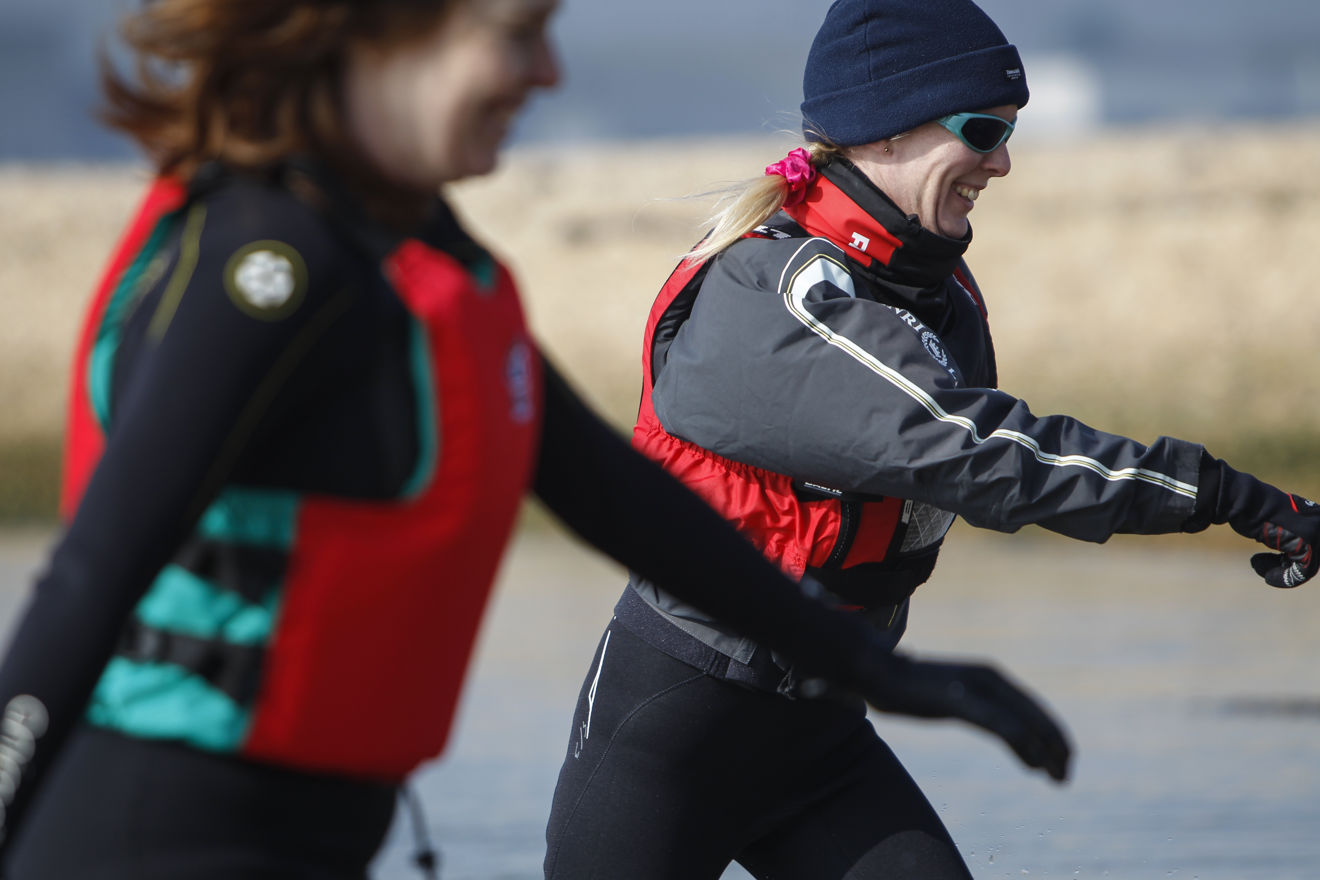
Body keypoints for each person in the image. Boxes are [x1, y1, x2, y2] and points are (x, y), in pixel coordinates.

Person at [0, 1, 1075, 877]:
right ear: (382, 33)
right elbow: (90, 581)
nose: (546, 73)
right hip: (154, 835)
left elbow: (619, 497)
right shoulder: (263, 267)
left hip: (314, 837)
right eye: (515, 34)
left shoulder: (426, 262)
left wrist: (885, 671)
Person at [542, 1, 1320, 878]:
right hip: (673, 733)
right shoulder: (776, 298)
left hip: (822, 739)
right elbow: (981, 455)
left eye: (1010, 130)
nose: (1003, 160)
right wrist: (1222, 495)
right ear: (885, 131)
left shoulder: (932, 287)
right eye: (983, 129)